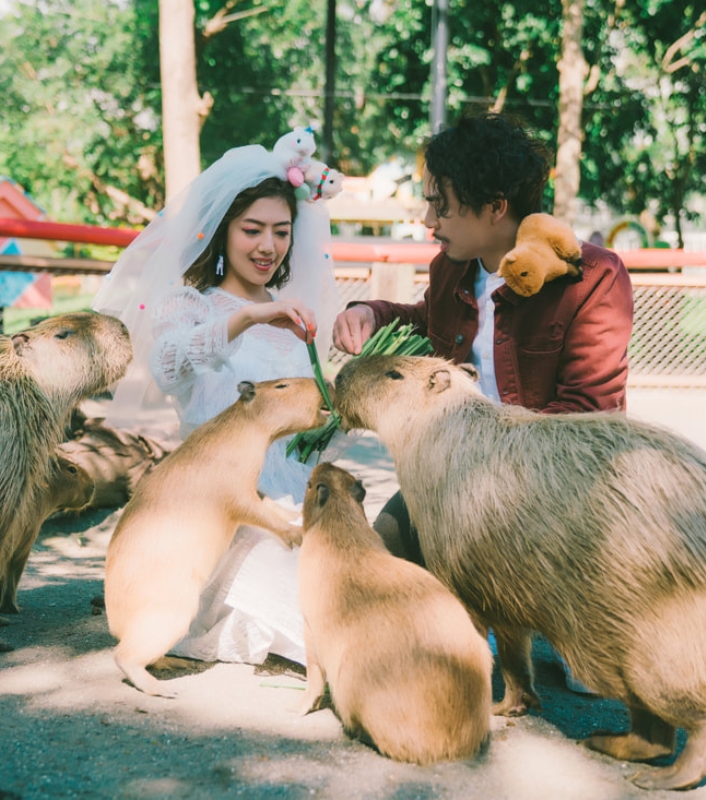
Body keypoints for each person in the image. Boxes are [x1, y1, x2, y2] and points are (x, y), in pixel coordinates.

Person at [331, 113, 633, 692]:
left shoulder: (592, 276)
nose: (428, 222)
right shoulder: (451, 268)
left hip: (553, 495)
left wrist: (490, 468)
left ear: (495, 207)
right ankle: (473, 619)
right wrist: (374, 313)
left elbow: (591, 411)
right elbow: (428, 324)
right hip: (454, 478)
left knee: (594, 671)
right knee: (381, 557)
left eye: (440, 206)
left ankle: (554, 610)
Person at [93, 132, 341, 667]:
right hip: (219, 520)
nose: (267, 246)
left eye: (280, 232)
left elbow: (313, 433)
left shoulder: (298, 317)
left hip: (295, 516)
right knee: (314, 625)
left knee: (357, 600)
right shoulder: (192, 305)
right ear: (224, 231)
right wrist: (245, 316)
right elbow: (167, 367)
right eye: (252, 230)